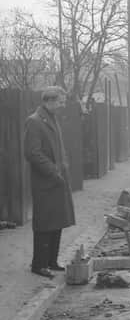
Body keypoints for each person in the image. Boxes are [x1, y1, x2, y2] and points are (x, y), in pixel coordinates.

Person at [23, 86, 76, 278]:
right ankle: (39, 264)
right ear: (50, 100)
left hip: (57, 179)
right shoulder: (34, 121)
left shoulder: (51, 118)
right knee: (45, 222)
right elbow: (32, 153)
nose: (62, 105)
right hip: (45, 181)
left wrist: (63, 166)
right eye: (61, 102)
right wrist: (53, 170)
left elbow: (59, 148)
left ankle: (52, 261)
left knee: (57, 220)